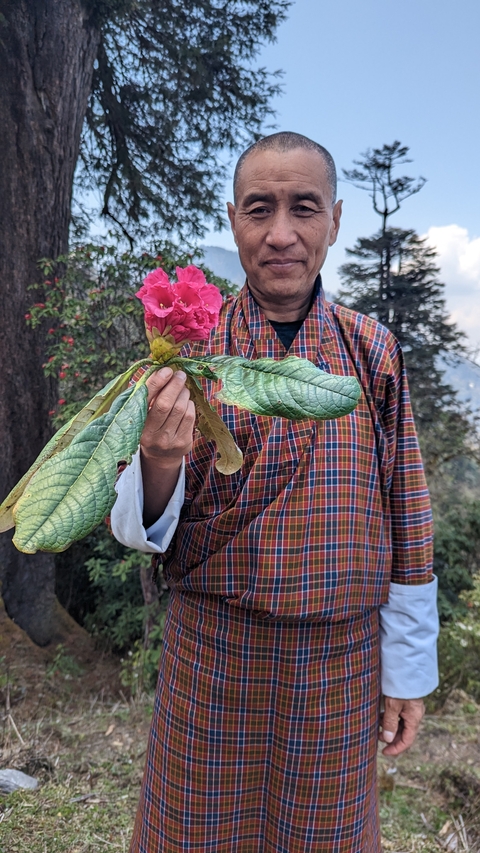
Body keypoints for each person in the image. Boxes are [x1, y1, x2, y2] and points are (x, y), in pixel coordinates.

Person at [111, 132, 439, 853]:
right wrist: (158, 456)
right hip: (213, 645)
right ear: (234, 220)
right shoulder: (191, 347)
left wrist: (406, 673)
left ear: (335, 219)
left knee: (322, 836)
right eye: (261, 209)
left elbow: (408, 513)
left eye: (304, 208)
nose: (281, 233)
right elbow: (141, 525)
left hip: (340, 659)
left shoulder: (371, 350)